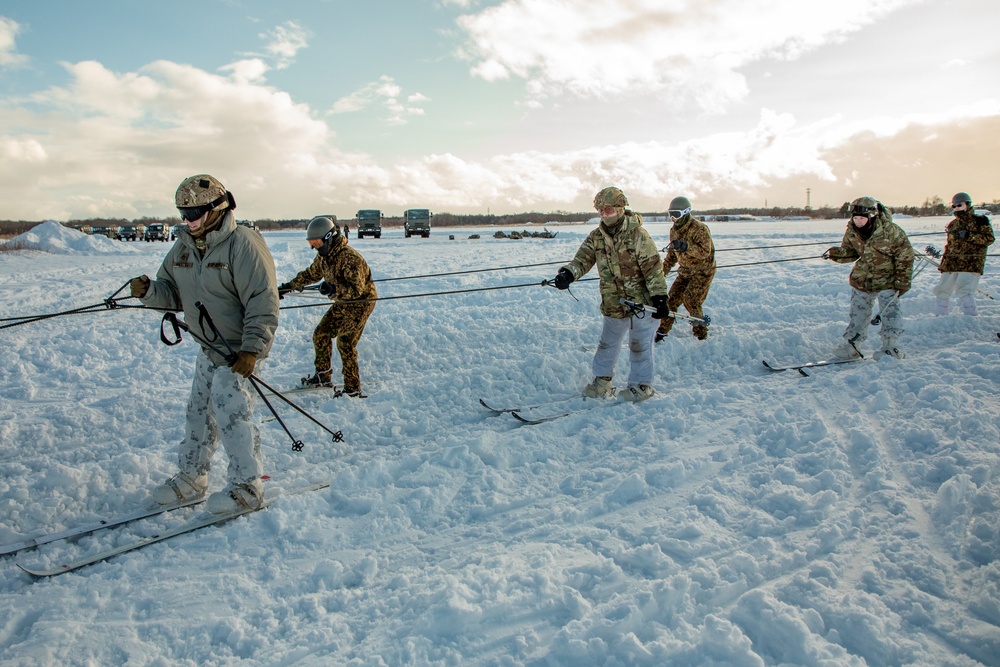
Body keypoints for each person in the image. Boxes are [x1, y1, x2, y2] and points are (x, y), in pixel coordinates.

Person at [130, 174, 279, 513]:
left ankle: (247, 487)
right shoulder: (182, 246)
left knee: (232, 412)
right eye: (183, 213)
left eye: (194, 213)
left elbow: (263, 300)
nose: (188, 220)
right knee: (198, 414)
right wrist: (149, 291)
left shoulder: (243, 243)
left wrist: (252, 350)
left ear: (216, 208)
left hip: (239, 350)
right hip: (208, 348)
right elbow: (170, 292)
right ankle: (192, 478)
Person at [551, 187, 668, 402]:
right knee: (607, 343)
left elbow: (653, 268)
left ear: (621, 208)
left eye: (609, 209)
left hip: (642, 303)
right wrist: (568, 273)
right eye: (601, 210)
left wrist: (660, 296)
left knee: (639, 344)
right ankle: (602, 382)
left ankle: (641, 386)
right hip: (614, 301)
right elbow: (582, 260)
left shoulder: (638, 235)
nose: (605, 214)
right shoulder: (597, 237)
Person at [279, 216, 377, 397]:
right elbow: (311, 274)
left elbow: (356, 291)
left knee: (345, 342)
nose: (314, 246)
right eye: (312, 243)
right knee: (321, 333)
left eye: (317, 242)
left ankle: (352, 389)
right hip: (342, 301)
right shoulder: (324, 258)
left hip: (360, 302)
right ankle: (323, 376)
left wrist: (334, 290)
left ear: (329, 238)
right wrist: (287, 287)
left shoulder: (350, 258)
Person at [824, 196, 914, 359]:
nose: (858, 221)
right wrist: (837, 254)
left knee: (890, 312)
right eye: (856, 218)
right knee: (858, 312)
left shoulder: (890, 231)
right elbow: (850, 252)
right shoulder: (852, 230)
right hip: (863, 279)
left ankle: (890, 346)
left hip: (888, 279)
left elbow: (905, 255)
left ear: (872, 216)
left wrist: (902, 280)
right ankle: (853, 345)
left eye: (862, 218)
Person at [656, 196, 716, 342]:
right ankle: (662, 331)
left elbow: (704, 252)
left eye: (676, 214)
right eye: (670, 214)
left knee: (691, 300)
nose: (673, 218)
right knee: (671, 301)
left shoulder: (699, 228)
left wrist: (686, 247)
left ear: (686, 212)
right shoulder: (674, 231)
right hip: (685, 272)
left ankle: (700, 332)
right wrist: (661, 273)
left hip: (702, 272)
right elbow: (672, 255)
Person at [932, 192, 995, 316]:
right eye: (953, 206)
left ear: (967, 204)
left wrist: (969, 236)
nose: (956, 208)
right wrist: (944, 263)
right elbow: (949, 246)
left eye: (959, 205)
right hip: (951, 263)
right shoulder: (953, 224)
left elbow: (989, 239)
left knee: (964, 291)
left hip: (970, 263)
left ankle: (971, 317)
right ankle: (940, 316)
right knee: (942, 289)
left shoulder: (980, 221)